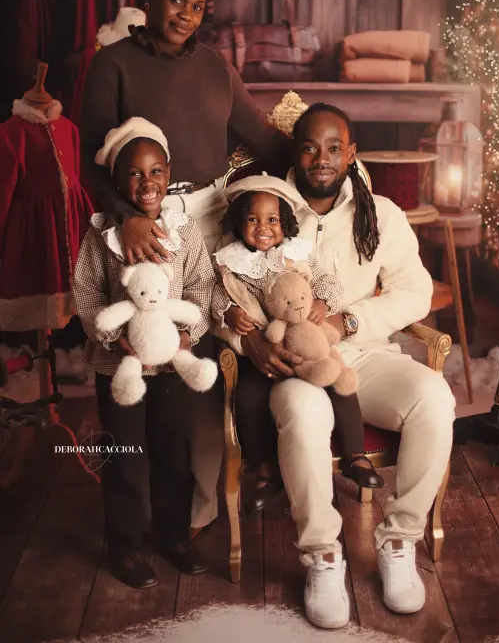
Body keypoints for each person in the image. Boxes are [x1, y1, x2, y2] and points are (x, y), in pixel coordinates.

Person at [80, 0, 289, 532]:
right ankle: (134, 518)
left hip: (212, 217)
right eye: (176, 0)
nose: (186, 15)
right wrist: (126, 215)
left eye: (198, 6)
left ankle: (193, 507)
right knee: (141, 361)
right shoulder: (113, 64)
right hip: (143, 222)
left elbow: (264, 136)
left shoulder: (215, 67)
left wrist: (330, 168)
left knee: (198, 362)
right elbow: (89, 158)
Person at [240, 103, 455, 630]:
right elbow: (225, 283)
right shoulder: (269, 207)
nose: (322, 158)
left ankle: (400, 540)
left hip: (364, 355)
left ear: (351, 153)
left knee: (435, 397)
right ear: (295, 150)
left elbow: (416, 291)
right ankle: (323, 556)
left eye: (335, 147)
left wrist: (348, 321)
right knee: (306, 413)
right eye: (310, 146)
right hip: (297, 365)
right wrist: (247, 339)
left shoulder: (379, 213)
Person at [73, 118, 216, 589]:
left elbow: (200, 287)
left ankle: (173, 536)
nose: (147, 182)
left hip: (172, 364)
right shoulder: (100, 236)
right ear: (117, 181)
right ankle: (125, 545)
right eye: (133, 173)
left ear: (168, 173)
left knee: (174, 452)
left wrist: (185, 337)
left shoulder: (185, 231)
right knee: (125, 456)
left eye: (156, 171)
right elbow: (87, 295)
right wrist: (115, 338)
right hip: (121, 367)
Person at [211, 175, 383, 512]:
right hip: (267, 351)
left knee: (340, 379)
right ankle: (263, 468)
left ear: (285, 222)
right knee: (247, 398)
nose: (263, 227)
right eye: (253, 219)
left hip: (306, 342)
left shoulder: (297, 253)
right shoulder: (231, 261)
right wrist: (229, 313)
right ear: (238, 222)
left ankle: (355, 455)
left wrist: (322, 304)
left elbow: (329, 283)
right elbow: (218, 295)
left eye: (272, 219)